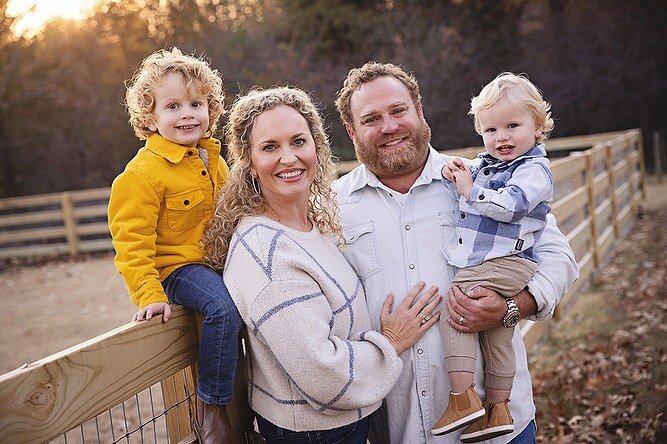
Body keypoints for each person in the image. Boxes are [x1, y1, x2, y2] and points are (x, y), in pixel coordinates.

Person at [333, 62, 578, 444]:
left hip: (502, 432)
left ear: (419, 110)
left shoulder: (477, 178)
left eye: (399, 111)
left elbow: (559, 258)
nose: (389, 126)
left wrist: (514, 307)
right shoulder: (333, 207)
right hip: (401, 430)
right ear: (352, 131)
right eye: (371, 119)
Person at [203, 86, 442, 443]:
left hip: (344, 423)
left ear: (316, 148)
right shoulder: (268, 254)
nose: (288, 158)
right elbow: (325, 376)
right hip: (316, 432)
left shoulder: (312, 226)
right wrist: (391, 342)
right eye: (270, 147)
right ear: (249, 163)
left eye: (298, 141)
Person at [107, 48, 242, 443]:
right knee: (222, 309)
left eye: (196, 103)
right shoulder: (142, 175)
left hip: (220, 261)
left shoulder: (213, 158)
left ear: (210, 109)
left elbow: (236, 208)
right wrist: (148, 294)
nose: (187, 114)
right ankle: (212, 411)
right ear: (149, 118)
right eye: (173, 106)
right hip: (179, 270)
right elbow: (131, 243)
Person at [431, 73, 555, 441]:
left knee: (457, 304)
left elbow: (513, 205)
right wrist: (451, 170)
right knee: (497, 332)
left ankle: (462, 397)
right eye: (490, 129)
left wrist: (471, 191)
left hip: (511, 262)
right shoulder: (486, 164)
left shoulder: (534, 170)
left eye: (512, 126)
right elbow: (459, 173)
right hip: (499, 264)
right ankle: (498, 410)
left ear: (538, 127)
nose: (501, 137)